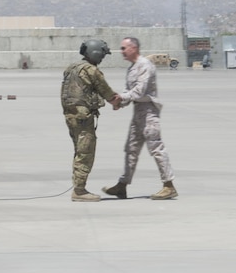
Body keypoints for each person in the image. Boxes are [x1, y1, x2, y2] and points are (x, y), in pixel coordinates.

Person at [102, 37, 178, 200]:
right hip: (138, 111)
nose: (122, 51)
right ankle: (122, 186)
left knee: (156, 148)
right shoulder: (132, 68)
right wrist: (119, 103)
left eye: (124, 48)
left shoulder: (145, 65)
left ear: (134, 48)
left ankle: (169, 185)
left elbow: (140, 91)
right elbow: (130, 92)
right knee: (131, 149)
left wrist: (120, 98)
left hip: (149, 111)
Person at [61, 39, 121, 202]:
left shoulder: (71, 68)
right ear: (96, 53)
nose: (102, 58)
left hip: (70, 116)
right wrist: (118, 102)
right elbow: (107, 93)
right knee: (85, 152)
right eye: (102, 54)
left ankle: (78, 187)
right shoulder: (91, 70)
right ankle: (79, 191)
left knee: (79, 151)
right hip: (83, 117)